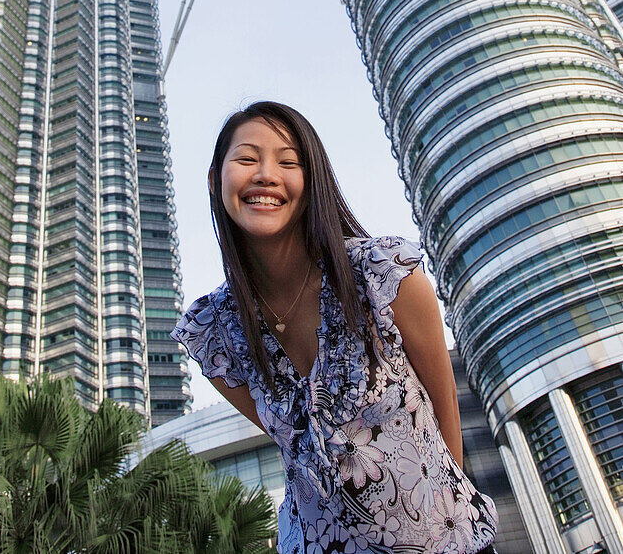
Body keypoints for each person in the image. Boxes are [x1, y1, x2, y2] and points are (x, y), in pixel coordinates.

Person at [172, 101, 498, 553]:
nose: (266, 174)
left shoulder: (384, 277)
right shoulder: (216, 332)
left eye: (289, 162)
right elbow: (302, 448)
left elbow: (445, 430)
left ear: (312, 183)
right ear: (216, 179)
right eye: (247, 158)